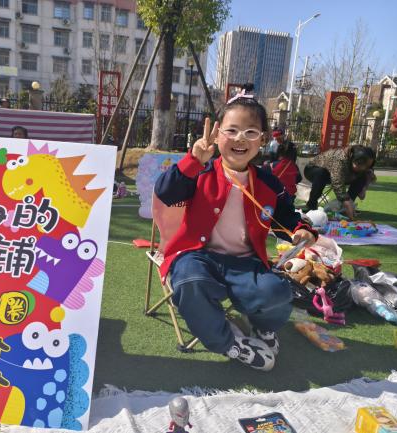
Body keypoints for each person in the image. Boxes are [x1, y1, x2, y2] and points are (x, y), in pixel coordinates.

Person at [155, 93, 316, 371]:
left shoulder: (268, 181)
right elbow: (166, 193)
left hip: (245, 262)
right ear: (217, 135)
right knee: (189, 281)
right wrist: (193, 160)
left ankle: (263, 328)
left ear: (263, 140)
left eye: (250, 132)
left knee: (276, 291)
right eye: (231, 131)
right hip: (198, 256)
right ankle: (229, 343)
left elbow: (287, 215)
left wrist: (301, 230)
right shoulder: (202, 170)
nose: (240, 139)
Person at [303, 145, 376, 219]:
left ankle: (344, 208)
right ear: (354, 160)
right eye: (361, 165)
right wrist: (346, 201)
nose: (364, 168)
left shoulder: (364, 164)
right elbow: (337, 182)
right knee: (321, 173)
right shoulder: (340, 159)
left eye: (367, 166)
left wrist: (364, 186)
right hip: (314, 170)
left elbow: (364, 187)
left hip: (342, 175)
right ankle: (311, 205)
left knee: (363, 175)